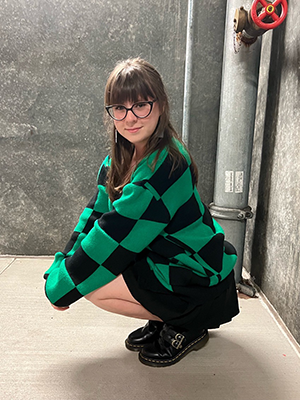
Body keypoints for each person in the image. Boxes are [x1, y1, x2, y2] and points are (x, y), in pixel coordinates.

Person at [44, 57, 239, 368]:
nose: (130, 118)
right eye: (119, 108)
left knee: (93, 287)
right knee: (89, 276)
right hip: (167, 258)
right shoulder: (119, 160)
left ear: (160, 105)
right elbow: (94, 218)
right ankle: (165, 316)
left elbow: (113, 236)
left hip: (198, 275)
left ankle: (186, 323)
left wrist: (62, 288)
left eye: (141, 105)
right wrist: (60, 266)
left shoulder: (167, 165)